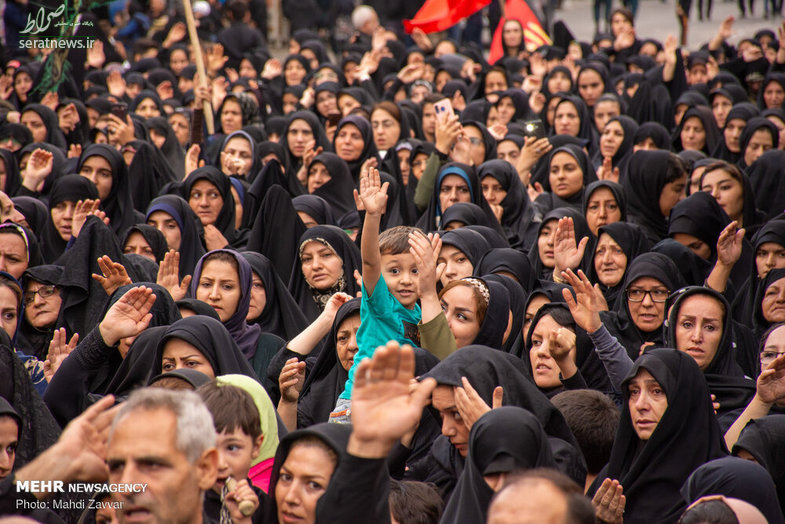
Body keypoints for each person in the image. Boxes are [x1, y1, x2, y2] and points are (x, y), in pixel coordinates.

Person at [589, 348, 726, 524]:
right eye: (634, 391)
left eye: (657, 391)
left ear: (683, 399)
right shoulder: (615, 476)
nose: (640, 405)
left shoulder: (716, 483)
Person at [332, 168, 423, 423]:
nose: (406, 279)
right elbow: (370, 261)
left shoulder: (421, 311)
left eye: (415, 270)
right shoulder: (381, 302)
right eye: (394, 271)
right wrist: (372, 216)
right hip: (358, 406)